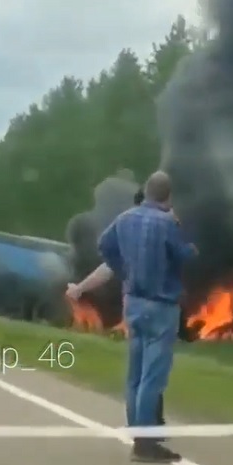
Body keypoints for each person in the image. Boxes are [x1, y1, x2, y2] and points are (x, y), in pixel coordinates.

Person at [96, 171, 196, 463]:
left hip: (134, 304)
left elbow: (104, 245)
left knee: (135, 375)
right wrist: (190, 248)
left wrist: (124, 269)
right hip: (162, 306)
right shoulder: (169, 223)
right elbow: (182, 257)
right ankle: (144, 444)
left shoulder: (125, 218)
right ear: (168, 196)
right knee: (153, 377)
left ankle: (137, 431)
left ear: (147, 192)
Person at [66, 188, 168, 440]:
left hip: (134, 310)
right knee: (150, 372)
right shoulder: (164, 231)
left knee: (138, 372)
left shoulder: (130, 237)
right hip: (156, 310)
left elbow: (107, 268)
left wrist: (79, 289)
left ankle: (142, 424)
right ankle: (148, 430)